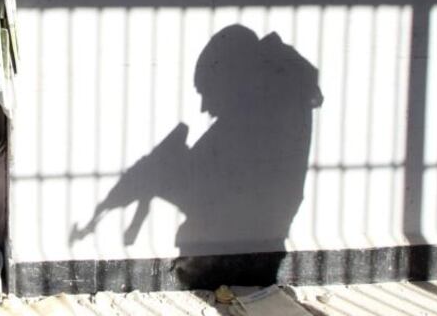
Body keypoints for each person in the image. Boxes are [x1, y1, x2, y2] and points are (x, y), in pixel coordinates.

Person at [70, 25, 323, 287]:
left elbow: (228, 187)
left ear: (230, 77)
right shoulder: (274, 98)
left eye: (206, 91)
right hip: (254, 240)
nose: (204, 106)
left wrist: (165, 172)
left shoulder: (265, 113)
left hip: (250, 248)